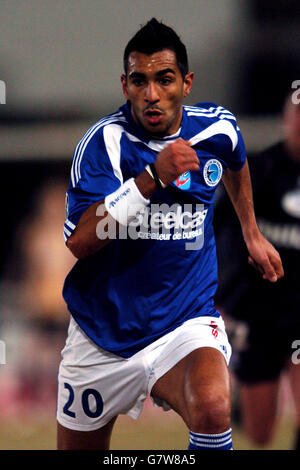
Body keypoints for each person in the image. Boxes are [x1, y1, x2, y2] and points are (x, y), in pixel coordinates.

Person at [56, 18, 283, 450]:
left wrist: (251, 231)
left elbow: (234, 160)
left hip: (184, 323)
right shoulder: (104, 144)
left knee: (214, 405)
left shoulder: (216, 129)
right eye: (139, 81)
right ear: (125, 86)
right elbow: (80, 243)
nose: (152, 94)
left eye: (164, 79)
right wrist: (149, 180)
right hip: (102, 334)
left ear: (187, 82)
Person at [215, 93, 300, 448]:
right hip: (258, 313)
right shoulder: (257, 172)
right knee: (260, 432)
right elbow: (220, 237)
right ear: (285, 119)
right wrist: (222, 300)